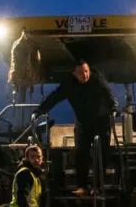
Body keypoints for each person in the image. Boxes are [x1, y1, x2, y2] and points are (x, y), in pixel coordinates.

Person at [33, 60, 118, 195]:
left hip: (102, 121)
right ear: (74, 74)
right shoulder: (69, 84)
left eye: (86, 71)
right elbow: (55, 96)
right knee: (81, 153)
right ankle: (82, 186)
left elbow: (109, 94)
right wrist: (40, 110)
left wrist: (114, 107)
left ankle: (98, 186)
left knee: (101, 153)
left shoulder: (97, 79)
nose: (85, 75)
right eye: (80, 73)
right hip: (83, 122)